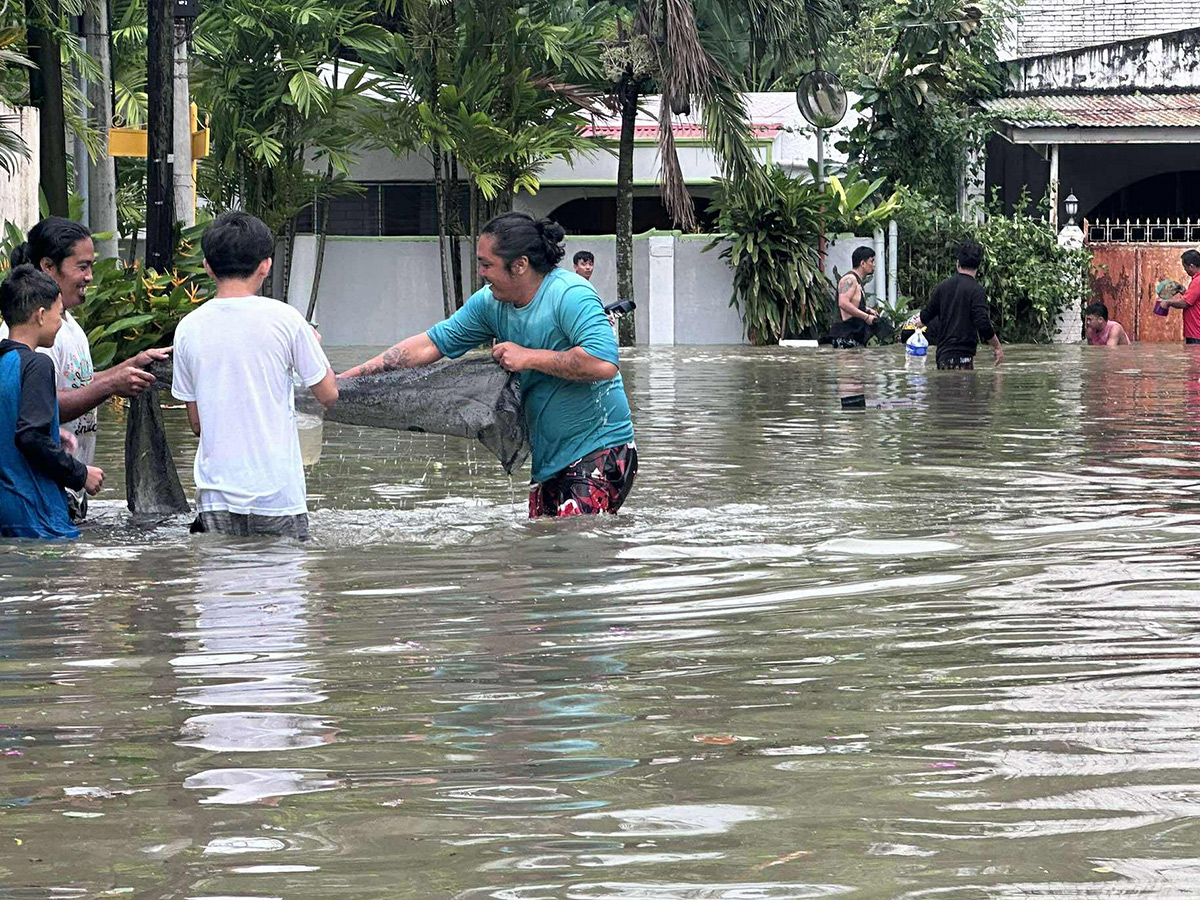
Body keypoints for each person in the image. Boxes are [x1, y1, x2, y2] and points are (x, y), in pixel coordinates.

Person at [341, 212, 637, 518]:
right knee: (544, 554)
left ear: (520, 265)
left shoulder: (570, 294)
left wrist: (528, 357)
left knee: (575, 544)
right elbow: (429, 344)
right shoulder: (490, 303)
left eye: (486, 264)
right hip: (549, 460)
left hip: (603, 448)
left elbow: (602, 363)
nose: (481, 272)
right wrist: (340, 385)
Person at [171, 212, 338, 540]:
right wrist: (312, 346)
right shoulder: (287, 320)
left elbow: (197, 424)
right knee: (280, 584)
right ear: (266, 265)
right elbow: (328, 393)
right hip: (277, 496)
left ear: (207, 266)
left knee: (220, 583)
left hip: (215, 498)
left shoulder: (188, 328)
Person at [0, 217, 168, 522]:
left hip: (67, 490)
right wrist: (110, 386)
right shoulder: (36, 339)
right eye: (82, 266)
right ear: (49, 267)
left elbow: (77, 384)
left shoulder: (67, 325)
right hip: (45, 492)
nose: (90, 276)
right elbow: (35, 411)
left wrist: (129, 367)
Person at [0, 265, 104, 539]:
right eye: (59, 315)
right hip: (34, 512)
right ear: (41, 315)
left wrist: (52, 429)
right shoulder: (37, 364)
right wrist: (80, 474)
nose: (60, 324)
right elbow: (30, 438)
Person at [915, 240, 1003, 370]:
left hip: (943, 357)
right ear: (978, 266)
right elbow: (982, 322)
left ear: (957, 263)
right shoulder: (976, 290)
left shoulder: (942, 286)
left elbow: (926, 316)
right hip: (964, 357)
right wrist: (997, 347)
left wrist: (918, 323)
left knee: (945, 388)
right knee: (964, 387)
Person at [829, 247, 885, 348]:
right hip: (845, 336)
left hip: (853, 335)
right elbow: (843, 303)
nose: (874, 265)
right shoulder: (849, 279)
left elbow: (852, 303)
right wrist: (866, 317)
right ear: (862, 263)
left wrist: (867, 309)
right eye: (871, 261)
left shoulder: (856, 281)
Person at [1156, 249, 1200, 344]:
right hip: (1195, 332)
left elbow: (1185, 303)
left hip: (1196, 333)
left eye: (1185, 268)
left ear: (1191, 266)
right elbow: (1195, 300)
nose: (1185, 271)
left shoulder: (1197, 281)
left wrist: (1168, 302)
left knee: (1195, 357)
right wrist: (1184, 292)